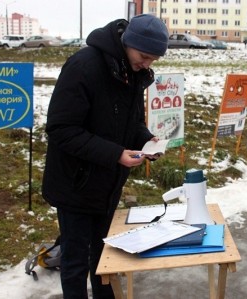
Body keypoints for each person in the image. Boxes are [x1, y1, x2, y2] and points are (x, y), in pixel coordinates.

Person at [41, 14, 169, 299]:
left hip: (107, 184)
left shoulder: (133, 73)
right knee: (75, 261)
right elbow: (61, 129)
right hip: (75, 183)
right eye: (144, 56)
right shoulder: (83, 66)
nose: (147, 65)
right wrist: (115, 155)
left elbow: (131, 122)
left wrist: (146, 139)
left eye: (154, 60)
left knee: (105, 258)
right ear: (127, 43)